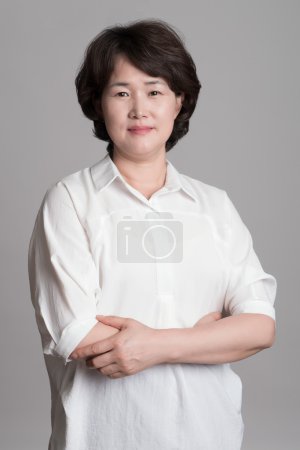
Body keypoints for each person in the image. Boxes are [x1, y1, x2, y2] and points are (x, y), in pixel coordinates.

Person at [27, 19, 277, 450]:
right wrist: (206, 338)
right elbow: (79, 335)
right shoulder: (69, 201)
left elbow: (258, 327)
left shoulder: (215, 206)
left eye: (155, 91)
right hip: (103, 437)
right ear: (98, 104)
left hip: (209, 434)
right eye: (121, 92)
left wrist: (155, 344)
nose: (139, 109)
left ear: (179, 102)